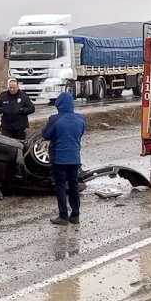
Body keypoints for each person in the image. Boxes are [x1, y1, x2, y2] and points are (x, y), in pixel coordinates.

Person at [41, 91, 85, 226]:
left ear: (59, 104)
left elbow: (46, 135)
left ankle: (63, 216)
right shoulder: (80, 119)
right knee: (73, 185)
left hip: (59, 158)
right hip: (74, 157)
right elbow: (81, 133)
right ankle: (75, 215)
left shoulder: (55, 119)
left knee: (60, 185)